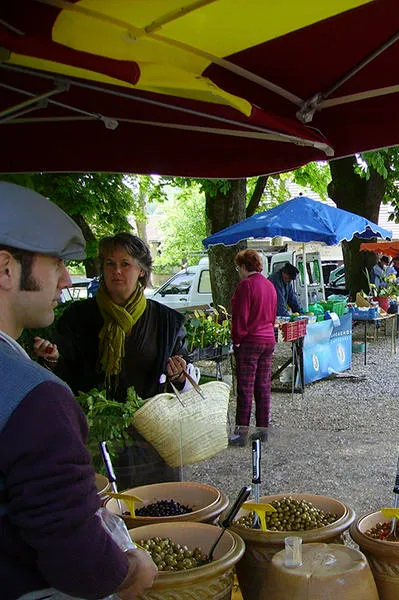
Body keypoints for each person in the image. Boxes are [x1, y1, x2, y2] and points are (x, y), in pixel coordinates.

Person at [0, 182, 157, 599]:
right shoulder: (37, 398)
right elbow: (72, 549)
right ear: (6, 269)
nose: (67, 279)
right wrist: (128, 570)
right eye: (55, 263)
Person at [34, 232, 193, 488]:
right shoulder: (77, 318)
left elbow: (184, 381)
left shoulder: (167, 322)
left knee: (155, 507)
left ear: (141, 271)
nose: (116, 271)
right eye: (110, 263)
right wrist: (52, 360)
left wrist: (178, 374)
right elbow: (63, 379)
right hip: (95, 443)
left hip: (152, 445)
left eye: (125, 264)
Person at [230, 249, 277, 445]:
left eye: (238, 268)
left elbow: (240, 316)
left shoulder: (246, 285)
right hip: (268, 339)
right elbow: (273, 315)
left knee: (245, 388)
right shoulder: (269, 285)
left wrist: (237, 339)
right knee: (263, 386)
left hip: (250, 341)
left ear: (243, 266)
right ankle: (262, 430)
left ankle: (240, 434)